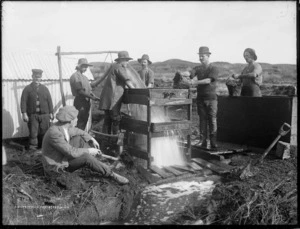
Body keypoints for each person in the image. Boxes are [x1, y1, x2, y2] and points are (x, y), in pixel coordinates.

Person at [41, 105, 129, 185]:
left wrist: (91, 138)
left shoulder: (62, 127)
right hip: (57, 167)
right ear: (70, 121)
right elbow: (71, 152)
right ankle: (111, 174)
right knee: (87, 157)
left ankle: (96, 162)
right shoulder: (54, 133)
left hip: (62, 157)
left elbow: (78, 131)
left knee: (79, 138)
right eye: (76, 118)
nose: (77, 120)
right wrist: (89, 151)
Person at [98, 51, 136, 135]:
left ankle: (106, 139)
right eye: (126, 60)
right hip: (113, 98)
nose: (127, 62)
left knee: (107, 119)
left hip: (107, 98)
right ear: (121, 60)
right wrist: (137, 91)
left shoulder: (114, 67)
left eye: (127, 60)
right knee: (115, 119)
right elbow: (127, 80)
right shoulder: (119, 67)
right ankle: (115, 140)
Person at [188, 47, 219, 149]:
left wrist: (195, 82)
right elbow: (190, 73)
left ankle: (213, 142)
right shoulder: (198, 68)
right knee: (202, 120)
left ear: (208, 56)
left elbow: (208, 81)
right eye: (199, 55)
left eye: (203, 55)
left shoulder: (213, 68)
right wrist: (182, 74)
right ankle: (203, 142)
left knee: (212, 120)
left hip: (211, 99)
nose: (201, 57)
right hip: (200, 98)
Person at [21, 69, 54, 150]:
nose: (37, 79)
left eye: (39, 77)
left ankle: (43, 147)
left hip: (44, 115)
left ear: (41, 78)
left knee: (44, 132)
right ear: (32, 77)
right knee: (33, 132)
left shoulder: (45, 88)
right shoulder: (27, 89)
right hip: (33, 115)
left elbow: (49, 101)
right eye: (35, 77)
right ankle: (33, 147)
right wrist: (24, 113)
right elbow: (23, 101)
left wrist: (51, 112)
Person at [70, 58, 103, 131]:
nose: (85, 68)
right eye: (84, 66)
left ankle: (81, 137)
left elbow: (88, 90)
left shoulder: (84, 77)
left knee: (85, 119)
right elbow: (80, 91)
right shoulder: (75, 76)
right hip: (80, 101)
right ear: (79, 66)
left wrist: (94, 96)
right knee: (81, 121)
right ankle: (78, 138)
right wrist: (92, 97)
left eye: (86, 67)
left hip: (86, 102)